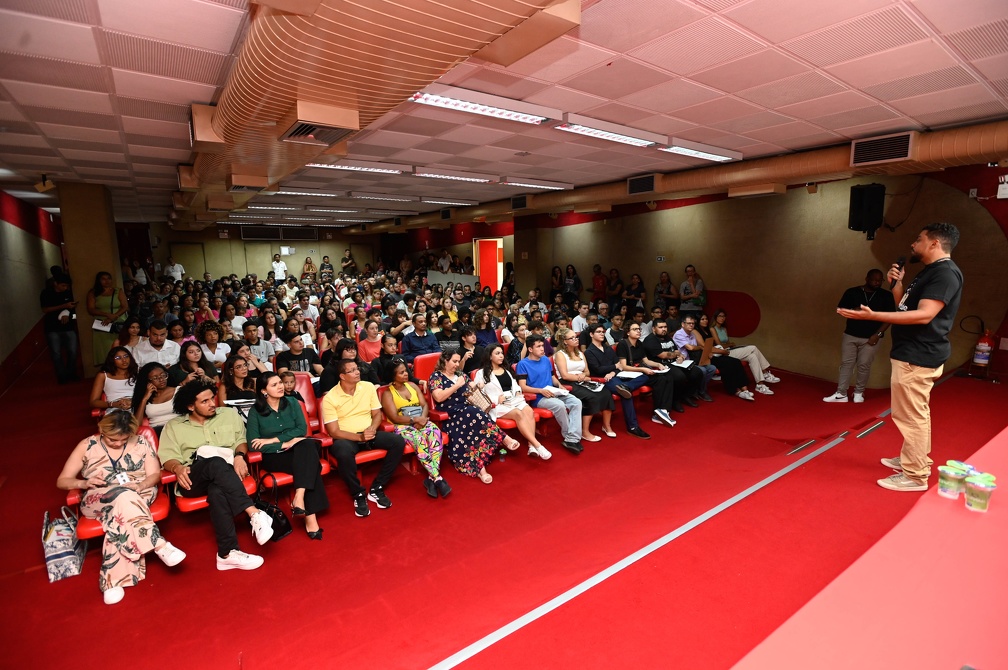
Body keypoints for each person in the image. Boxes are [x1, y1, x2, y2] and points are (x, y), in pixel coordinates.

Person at [837, 223, 963, 492]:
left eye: (919, 239)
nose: (913, 244)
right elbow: (904, 307)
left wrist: (872, 316)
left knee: (910, 417)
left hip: (918, 355)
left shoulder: (945, 274)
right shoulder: (929, 272)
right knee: (915, 414)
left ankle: (916, 475)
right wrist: (898, 284)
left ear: (934, 244)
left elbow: (924, 315)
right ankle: (913, 459)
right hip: (912, 352)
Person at [56, 411, 186, 605]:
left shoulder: (140, 442)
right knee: (123, 498)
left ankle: (112, 582)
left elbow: (154, 475)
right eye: (112, 439)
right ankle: (158, 544)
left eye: (123, 439)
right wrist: (83, 484)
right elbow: (62, 480)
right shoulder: (86, 445)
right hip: (99, 496)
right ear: (102, 429)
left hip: (139, 491)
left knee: (121, 510)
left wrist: (141, 486)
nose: (117, 443)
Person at [158, 378, 274, 570]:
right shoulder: (173, 426)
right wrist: (177, 468)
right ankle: (254, 513)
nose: (212, 403)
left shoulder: (228, 414)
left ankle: (227, 554)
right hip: (192, 477)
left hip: (227, 473)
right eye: (205, 401)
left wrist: (239, 456)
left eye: (212, 398)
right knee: (215, 463)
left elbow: (240, 439)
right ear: (190, 406)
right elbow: (168, 457)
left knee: (217, 490)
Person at [247, 372, 328, 538]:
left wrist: (273, 439)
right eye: (274, 384)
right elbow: (253, 443)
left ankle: (300, 499)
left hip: (299, 449)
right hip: (275, 456)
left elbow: (301, 429)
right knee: (310, 461)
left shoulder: (292, 402)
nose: (281, 386)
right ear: (264, 391)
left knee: (306, 445)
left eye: (280, 383)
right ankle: (306, 511)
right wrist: (283, 443)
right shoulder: (256, 411)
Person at [322, 358, 405, 516]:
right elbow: (333, 431)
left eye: (357, 368)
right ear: (342, 376)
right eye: (351, 370)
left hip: (369, 433)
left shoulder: (367, 387)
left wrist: (372, 429)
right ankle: (358, 494)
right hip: (347, 438)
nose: (357, 372)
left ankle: (377, 487)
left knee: (398, 442)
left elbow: (377, 414)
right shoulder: (330, 398)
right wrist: (359, 438)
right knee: (342, 452)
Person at [429, 350, 518, 483]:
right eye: (454, 361)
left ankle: (481, 470)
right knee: (474, 413)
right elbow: (439, 397)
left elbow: (472, 385)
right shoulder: (436, 376)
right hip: (451, 415)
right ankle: (503, 438)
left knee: (474, 415)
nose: (457, 364)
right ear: (445, 361)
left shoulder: (460, 374)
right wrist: (457, 385)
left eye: (458, 361)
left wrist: (478, 385)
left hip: (468, 412)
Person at [823, 269, 897, 404]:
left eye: (880, 280)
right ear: (866, 278)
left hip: (872, 337)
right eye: (874, 279)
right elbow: (839, 310)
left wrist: (878, 334)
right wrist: (853, 310)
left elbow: (890, 317)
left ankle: (858, 392)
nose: (877, 282)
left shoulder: (886, 295)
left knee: (864, 365)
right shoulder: (852, 292)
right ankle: (841, 393)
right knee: (846, 364)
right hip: (850, 335)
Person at [380, 359, 449, 498]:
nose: (406, 374)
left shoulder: (413, 386)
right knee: (419, 439)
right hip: (402, 426)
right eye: (401, 372)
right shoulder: (388, 393)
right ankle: (437, 477)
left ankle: (431, 479)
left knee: (435, 432)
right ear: (393, 376)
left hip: (420, 421)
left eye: (406, 371)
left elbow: (424, 406)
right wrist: (414, 420)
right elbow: (394, 417)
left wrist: (422, 420)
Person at [479, 343, 552, 459]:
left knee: (529, 411)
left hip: (514, 400)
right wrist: (496, 399)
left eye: (502, 353)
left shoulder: (506, 369)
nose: (501, 356)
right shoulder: (481, 373)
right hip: (498, 405)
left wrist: (518, 391)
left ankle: (531, 445)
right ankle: (537, 445)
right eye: (497, 354)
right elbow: (480, 394)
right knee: (518, 413)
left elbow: (515, 385)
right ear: (489, 356)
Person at [517, 334, 584, 454]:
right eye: (538, 346)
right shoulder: (523, 364)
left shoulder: (546, 360)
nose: (542, 349)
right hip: (538, 397)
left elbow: (553, 377)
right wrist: (540, 391)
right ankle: (571, 437)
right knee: (559, 405)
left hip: (553, 392)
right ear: (530, 349)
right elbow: (522, 386)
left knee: (576, 402)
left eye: (542, 345)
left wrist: (560, 386)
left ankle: (571, 438)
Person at [584, 324, 650, 439]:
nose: (602, 333)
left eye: (603, 331)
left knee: (644, 376)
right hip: (603, 380)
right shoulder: (589, 352)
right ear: (591, 334)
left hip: (616, 376)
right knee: (626, 395)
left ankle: (627, 386)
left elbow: (619, 365)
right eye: (598, 332)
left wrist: (613, 371)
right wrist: (613, 369)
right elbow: (598, 369)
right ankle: (633, 427)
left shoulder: (607, 347)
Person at [553, 327, 616, 441]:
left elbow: (587, 371)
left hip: (583, 380)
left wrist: (583, 376)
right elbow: (565, 375)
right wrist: (579, 377)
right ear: (564, 341)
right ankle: (585, 432)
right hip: (568, 382)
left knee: (606, 392)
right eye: (571, 338)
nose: (576, 339)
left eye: (576, 337)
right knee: (591, 397)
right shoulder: (560, 354)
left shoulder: (581, 353)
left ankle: (606, 426)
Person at [618, 321, 680, 427]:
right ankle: (659, 410)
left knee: (668, 375)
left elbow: (646, 361)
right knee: (660, 379)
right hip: (632, 373)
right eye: (635, 329)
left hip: (642, 370)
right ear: (628, 332)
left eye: (639, 329)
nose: (638, 331)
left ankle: (663, 409)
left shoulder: (639, 343)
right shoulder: (623, 344)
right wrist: (643, 369)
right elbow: (624, 366)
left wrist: (658, 364)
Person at [710, 309, 779, 393]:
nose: (722, 318)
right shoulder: (712, 329)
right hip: (723, 354)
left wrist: (730, 344)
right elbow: (720, 344)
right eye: (720, 316)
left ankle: (760, 384)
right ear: (715, 317)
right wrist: (730, 344)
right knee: (753, 348)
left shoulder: (724, 329)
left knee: (752, 356)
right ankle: (765, 372)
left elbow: (728, 343)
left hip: (730, 350)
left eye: (724, 316)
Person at [694, 314, 755, 401]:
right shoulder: (696, 331)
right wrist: (721, 351)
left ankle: (745, 390)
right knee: (727, 364)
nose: (705, 321)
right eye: (702, 319)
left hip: (714, 353)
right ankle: (735, 390)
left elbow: (713, 344)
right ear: (698, 321)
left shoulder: (707, 330)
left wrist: (720, 351)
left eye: (706, 319)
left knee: (736, 361)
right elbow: (704, 346)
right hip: (706, 356)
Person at [40, 270, 79, 383]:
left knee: (72, 351)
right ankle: (62, 376)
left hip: (69, 326)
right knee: (56, 353)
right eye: (63, 285)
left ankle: (71, 373)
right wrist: (64, 306)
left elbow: (75, 310)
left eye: (67, 285)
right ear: (55, 283)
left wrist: (69, 313)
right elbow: (45, 309)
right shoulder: (46, 293)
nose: (65, 288)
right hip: (52, 327)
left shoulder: (69, 293)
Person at [86, 271, 129, 363]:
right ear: (98, 281)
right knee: (105, 349)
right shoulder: (93, 293)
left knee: (120, 347)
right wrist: (107, 315)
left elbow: (125, 306)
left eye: (109, 278)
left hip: (118, 322)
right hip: (102, 324)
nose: (107, 281)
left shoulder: (118, 291)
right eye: (103, 279)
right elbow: (91, 309)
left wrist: (113, 316)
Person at [672, 315, 717, 401]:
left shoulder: (692, 334)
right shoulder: (679, 334)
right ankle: (702, 392)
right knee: (702, 370)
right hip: (683, 361)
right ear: (683, 324)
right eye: (689, 323)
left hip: (693, 359)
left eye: (693, 323)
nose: (691, 325)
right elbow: (691, 348)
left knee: (712, 368)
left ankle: (697, 389)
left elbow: (695, 348)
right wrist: (700, 347)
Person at [131, 362, 178, 435]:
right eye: (155, 378)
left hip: (177, 428)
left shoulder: (178, 391)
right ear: (148, 382)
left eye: (163, 375)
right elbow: (137, 425)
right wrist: (144, 399)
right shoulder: (146, 398)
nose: (161, 379)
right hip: (157, 432)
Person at [89, 346, 138, 413]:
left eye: (126, 356)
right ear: (112, 360)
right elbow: (93, 402)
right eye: (118, 358)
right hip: (114, 407)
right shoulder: (103, 375)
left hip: (136, 405)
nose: (124, 360)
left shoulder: (137, 372)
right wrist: (113, 404)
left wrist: (133, 402)